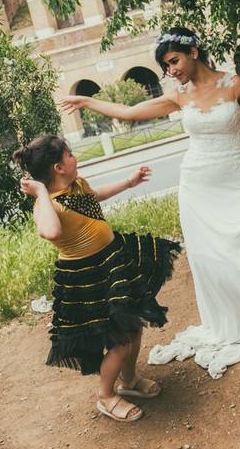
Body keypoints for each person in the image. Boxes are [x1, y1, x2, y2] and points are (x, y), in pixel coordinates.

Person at [60, 28, 240, 378]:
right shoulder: (177, 95)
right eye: (165, 66)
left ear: (193, 51)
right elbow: (129, 112)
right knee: (213, 259)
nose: (171, 70)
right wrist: (86, 102)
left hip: (236, 178)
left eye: (174, 61)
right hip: (197, 186)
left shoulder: (233, 84)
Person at [13, 135, 178, 422]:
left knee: (133, 327)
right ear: (58, 168)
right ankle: (105, 395)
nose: (74, 158)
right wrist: (41, 194)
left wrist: (128, 182)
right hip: (86, 278)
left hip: (111, 264)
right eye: (70, 155)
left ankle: (129, 380)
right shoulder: (45, 205)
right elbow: (51, 232)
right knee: (118, 341)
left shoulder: (77, 185)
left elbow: (94, 197)